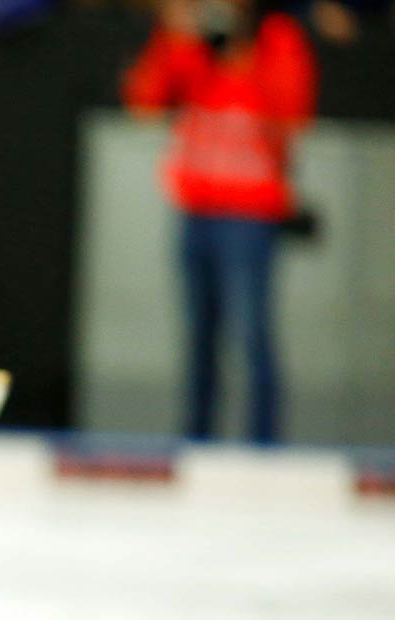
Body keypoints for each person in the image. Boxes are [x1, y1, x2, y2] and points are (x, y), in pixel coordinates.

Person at [122, 0, 316, 444]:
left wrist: (243, 55)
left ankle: (264, 445)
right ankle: (196, 442)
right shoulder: (189, 36)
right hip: (197, 207)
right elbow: (144, 103)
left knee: (252, 335)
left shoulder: (276, 37)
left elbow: (291, 113)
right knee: (198, 338)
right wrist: (175, 39)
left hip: (250, 212)